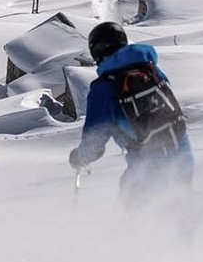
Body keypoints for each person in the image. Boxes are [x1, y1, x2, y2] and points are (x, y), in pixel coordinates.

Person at [69, 22, 193, 206]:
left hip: (148, 165)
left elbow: (94, 140)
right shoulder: (150, 69)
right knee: (179, 206)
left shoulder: (103, 89)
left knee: (137, 212)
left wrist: (80, 157)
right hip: (182, 154)